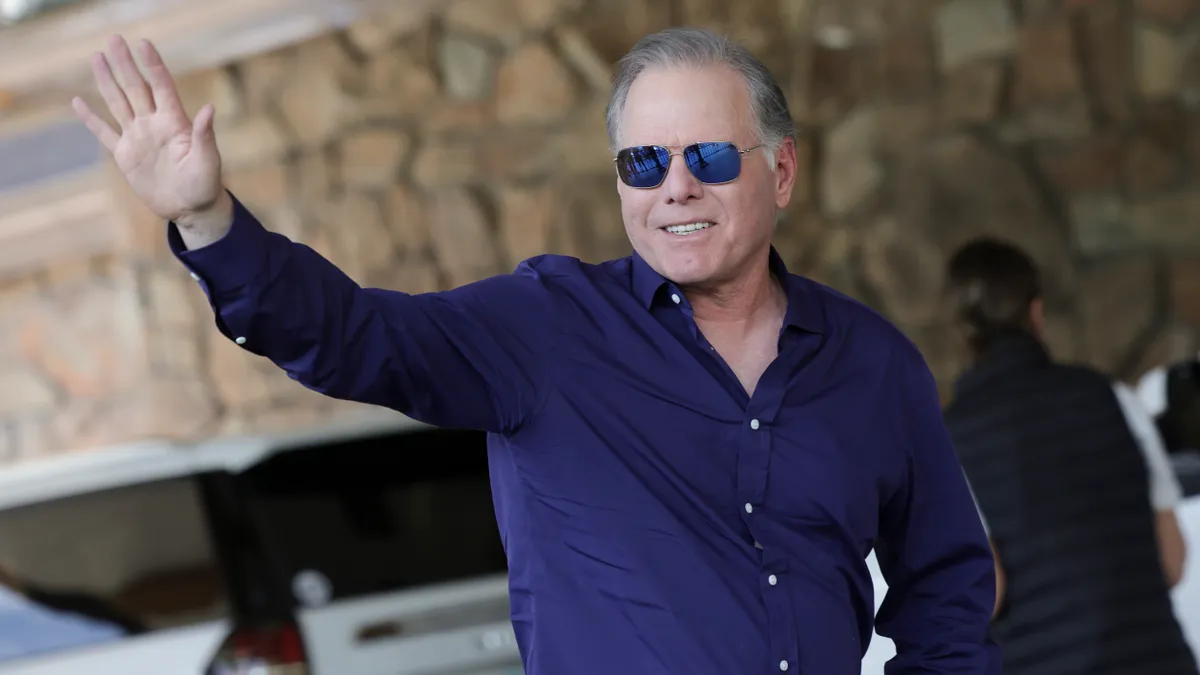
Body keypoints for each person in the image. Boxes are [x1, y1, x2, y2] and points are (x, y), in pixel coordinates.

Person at [74, 28, 999, 674]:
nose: (675, 187)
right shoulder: (546, 329)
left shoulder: (873, 364)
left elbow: (946, 585)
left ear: (781, 169)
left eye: (710, 158)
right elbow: (353, 337)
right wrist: (206, 217)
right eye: (644, 162)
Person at [942, 237, 1196, 675]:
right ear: (1036, 313)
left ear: (963, 333)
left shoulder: (947, 443)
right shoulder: (1113, 397)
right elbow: (1171, 559)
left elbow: (988, 591)